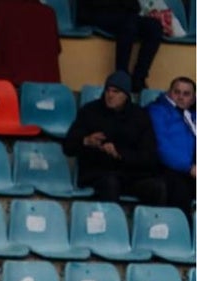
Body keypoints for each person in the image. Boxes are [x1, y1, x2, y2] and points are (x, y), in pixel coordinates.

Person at [62, 70, 166, 206]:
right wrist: (86, 141)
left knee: (157, 187)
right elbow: (68, 146)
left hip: (132, 174)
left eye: (116, 92)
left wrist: (119, 154)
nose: (110, 95)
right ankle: (112, 225)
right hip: (98, 172)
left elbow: (149, 156)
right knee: (110, 183)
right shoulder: (90, 111)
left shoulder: (139, 116)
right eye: (108, 90)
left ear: (126, 95)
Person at [76, 0, 162, 94]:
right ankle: (121, 77)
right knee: (128, 25)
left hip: (125, 16)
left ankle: (139, 77)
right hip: (95, 13)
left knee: (155, 27)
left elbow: (135, 6)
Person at [144, 76, 196, 212]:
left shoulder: (193, 116)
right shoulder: (157, 111)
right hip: (168, 169)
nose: (180, 97)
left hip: (190, 170)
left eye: (186, 94)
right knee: (180, 190)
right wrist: (189, 167)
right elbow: (161, 147)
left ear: (193, 98)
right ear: (169, 93)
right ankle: (183, 232)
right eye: (176, 92)